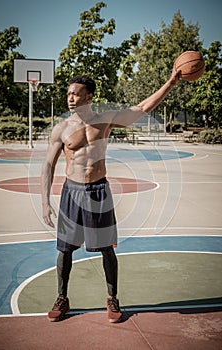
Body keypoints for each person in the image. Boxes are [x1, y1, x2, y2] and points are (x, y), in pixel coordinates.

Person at [41, 68, 180, 322]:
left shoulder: (104, 120)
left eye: (75, 93)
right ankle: (62, 297)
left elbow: (141, 108)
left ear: (89, 97)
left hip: (98, 191)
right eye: (68, 93)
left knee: (107, 249)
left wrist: (170, 82)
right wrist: (44, 202)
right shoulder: (61, 129)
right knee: (65, 250)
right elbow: (49, 165)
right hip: (71, 193)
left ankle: (112, 298)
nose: (70, 97)